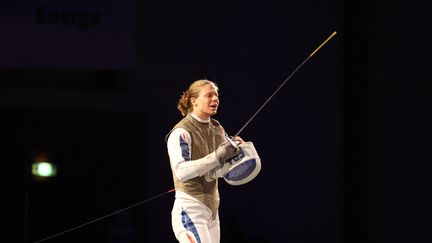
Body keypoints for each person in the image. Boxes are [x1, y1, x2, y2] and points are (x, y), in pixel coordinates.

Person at [165, 79, 244, 243]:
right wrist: (218, 155)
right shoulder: (181, 132)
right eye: (209, 95)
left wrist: (237, 151)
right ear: (194, 101)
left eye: (216, 95)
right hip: (190, 209)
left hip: (213, 212)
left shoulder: (217, 128)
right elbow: (181, 171)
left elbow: (220, 169)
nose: (215, 99)